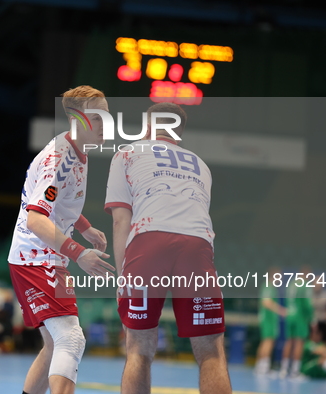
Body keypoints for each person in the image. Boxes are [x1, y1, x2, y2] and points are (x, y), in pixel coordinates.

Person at [105, 102, 231, 394]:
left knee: (138, 348)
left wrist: (123, 277)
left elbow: (121, 221)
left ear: (148, 127)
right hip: (197, 247)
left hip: (149, 241)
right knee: (211, 352)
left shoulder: (127, 153)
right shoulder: (201, 165)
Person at [7, 85, 115, 394]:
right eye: (97, 117)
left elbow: (58, 203)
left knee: (56, 344)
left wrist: (84, 227)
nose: (105, 123)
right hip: (36, 258)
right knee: (71, 338)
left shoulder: (79, 150)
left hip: (49, 256)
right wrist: (80, 253)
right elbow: (36, 217)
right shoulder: (60, 158)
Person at [279, 268, 314, 379]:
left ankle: (283, 370)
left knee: (289, 341)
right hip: (300, 317)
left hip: (290, 314)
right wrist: (311, 317)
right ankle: (295, 371)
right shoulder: (305, 285)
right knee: (299, 342)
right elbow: (307, 303)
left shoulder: (291, 284)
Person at [254, 267, 287, 375]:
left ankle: (260, 366)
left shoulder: (270, 287)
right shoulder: (269, 286)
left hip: (268, 319)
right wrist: (281, 310)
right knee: (269, 341)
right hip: (268, 319)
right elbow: (266, 302)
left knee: (265, 341)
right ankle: (264, 368)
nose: (280, 279)